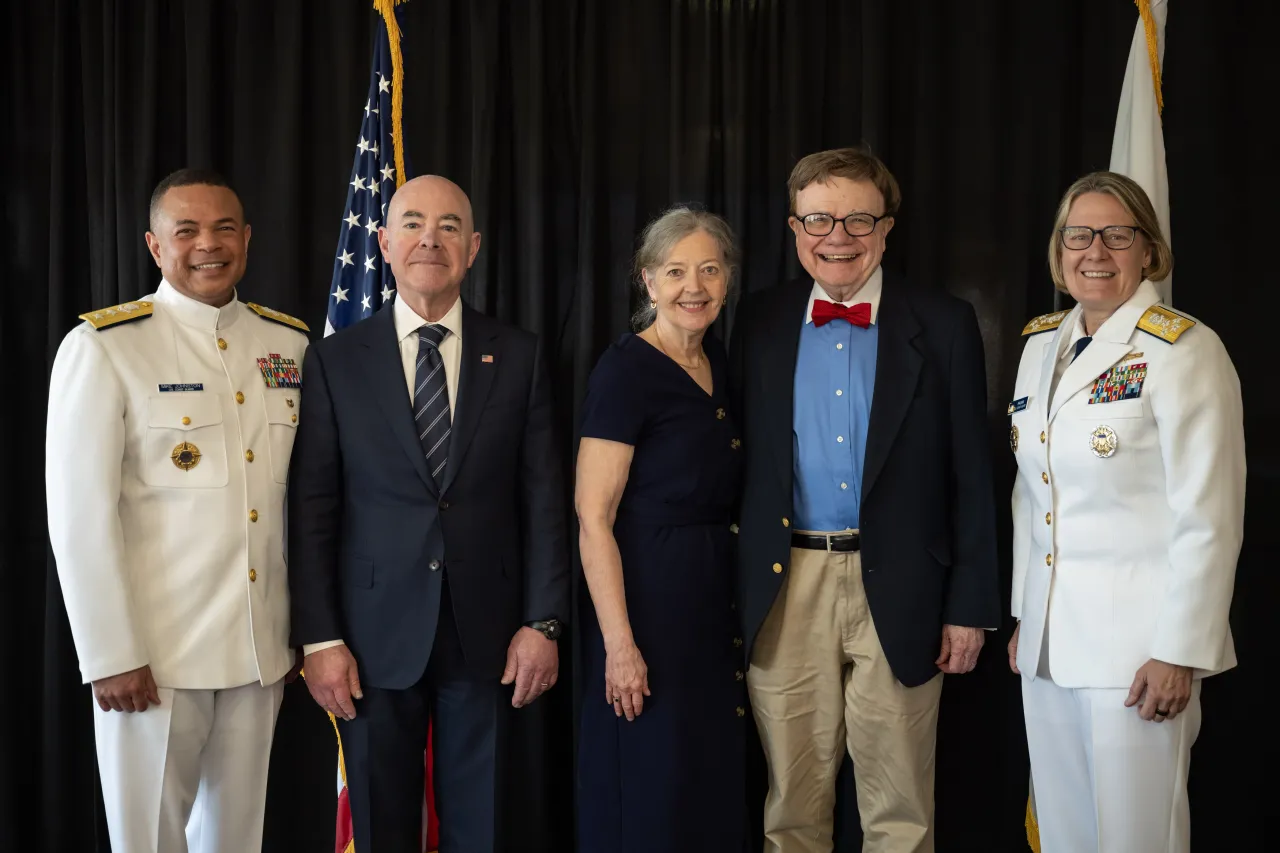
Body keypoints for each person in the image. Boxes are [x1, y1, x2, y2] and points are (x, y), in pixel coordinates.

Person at [729, 146, 1000, 853]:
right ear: (794, 229)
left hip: (907, 585)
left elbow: (974, 473)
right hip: (786, 584)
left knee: (901, 805)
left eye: (857, 219)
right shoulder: (755, 322)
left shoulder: (944, 324)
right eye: (819, 218)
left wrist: (970, 607)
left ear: (885, 229)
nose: (838, 236)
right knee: (791, 802)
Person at [287, 175, 570, 853]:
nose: (430, 240)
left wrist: (544, 620)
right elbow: (313, 506)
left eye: (449, 226)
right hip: (370, 639)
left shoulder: (522, 355)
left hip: (492, 634)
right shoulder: (333, 362)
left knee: (484, 825)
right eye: (413, 223)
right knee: (382, 824)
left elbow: (544, 500)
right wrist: (320, 638)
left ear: (472, 248)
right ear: (383, 242)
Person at [45, 168, 309, 852]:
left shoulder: (289, 346)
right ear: (155, 247)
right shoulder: (105, 347)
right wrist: (110, 651)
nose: (207, 245)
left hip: (259, 651)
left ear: (247, 239)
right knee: (148, 843)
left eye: (224, 228)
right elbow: (79, 517)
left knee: (237, 841)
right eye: (185, 230)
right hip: (154, 659)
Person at [1007, 171, 1244, 853]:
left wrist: (1180, 649)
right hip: (1051, 649)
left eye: (1117, 234)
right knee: (1066, 834)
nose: (1096, 251)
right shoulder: (1038, 347)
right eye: (1079, 235)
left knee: (1138, 840)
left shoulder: (1184, 351)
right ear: (1059, 249)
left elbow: (1211, 515)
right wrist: (1029, 617)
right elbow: (1032, 493)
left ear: (1149, 249)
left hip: (1138, 652)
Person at [575, 207, 746, 853]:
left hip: (710, 601)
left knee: (704, 778)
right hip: (647, 605)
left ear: (727, 280)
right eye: (676, 271)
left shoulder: (718, 361)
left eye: (708, 269)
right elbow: (593, 516)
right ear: (649, 282)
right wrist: (620, 645)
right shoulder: (625, 371)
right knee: (651, 781)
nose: (693, 286)